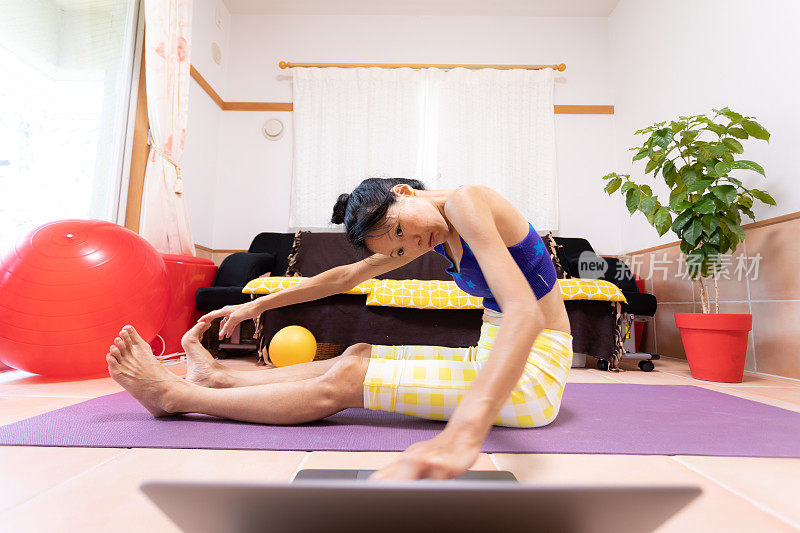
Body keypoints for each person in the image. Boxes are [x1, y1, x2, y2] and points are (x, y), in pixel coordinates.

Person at [105, 177, 573, 480]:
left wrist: (463, 437)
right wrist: (255, 306)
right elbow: (346, 276)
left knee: (346, 382)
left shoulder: (468, 203)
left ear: (403, 191)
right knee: (355, 355)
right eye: (396, 244)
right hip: (492, 351)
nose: (408, 244)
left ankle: (177, 397)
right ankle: (221, 378)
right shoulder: (435, 228)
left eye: (398, 230)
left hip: (533, 375)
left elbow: (525, 314)